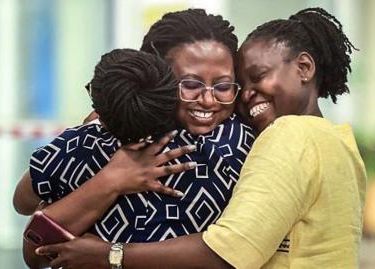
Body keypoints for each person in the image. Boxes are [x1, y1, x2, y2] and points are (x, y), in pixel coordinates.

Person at [35, 7, 367, 269]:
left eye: (227, 85)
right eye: (242, 86)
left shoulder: (282, 136)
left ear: (305, 67)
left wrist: (111, 255)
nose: (246, 96)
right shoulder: (339, 142)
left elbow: (232, 250)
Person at [15, 9, 255, 269]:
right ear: (157, 75)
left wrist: (111, 253)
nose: (208, 100)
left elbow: (28, 218)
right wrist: (113, 179)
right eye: (190, 84)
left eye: (222, 86)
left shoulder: (91, 138)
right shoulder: (102, 134)